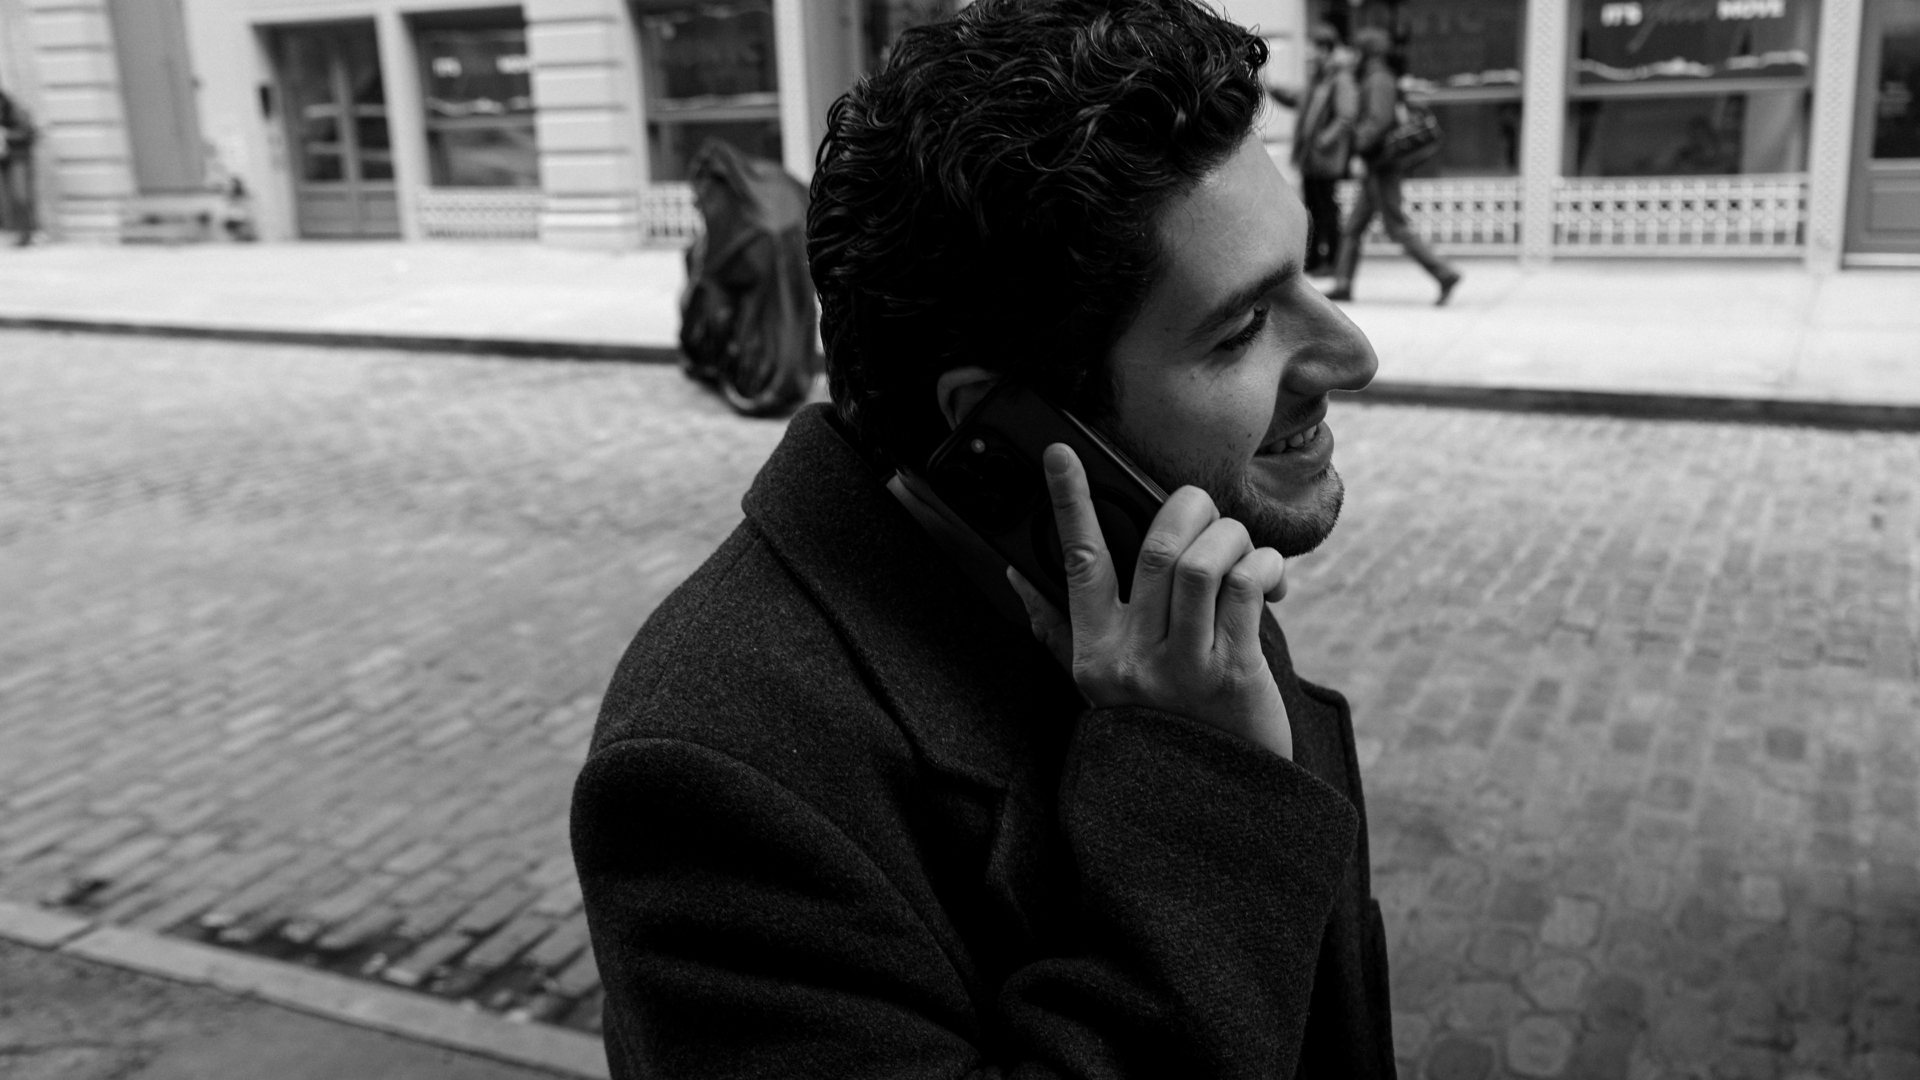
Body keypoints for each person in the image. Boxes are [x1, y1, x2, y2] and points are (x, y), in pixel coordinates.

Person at [571, 1, 1393, 1076]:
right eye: (1241, 327)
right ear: (1005, 432)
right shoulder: (712, 779)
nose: (1353, 354)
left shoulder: (1171, 564)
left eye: (1307, 274)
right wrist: (1206, 794)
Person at [1326, 27, 1460, 305]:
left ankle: (1444, 273)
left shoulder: (1378, 80)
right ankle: (1343, 283)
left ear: (1365, 52)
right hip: (1377, 163)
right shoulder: (1374, 77)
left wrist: (1359, 150)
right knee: (1353, 227)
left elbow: (1378, 122)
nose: (1350, 56)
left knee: (1395, 226)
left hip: (1382, 164)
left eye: (1354, 50)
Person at [1265, 23, 1358, 276]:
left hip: (1325, 157)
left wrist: (1324, 141)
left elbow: (1346, 116)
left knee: (1327, 209)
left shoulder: (1340, 78)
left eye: (1312, 47)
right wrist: (1272, 89)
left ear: (1325, 49)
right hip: (1310, 157)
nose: (1307, 53)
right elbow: (1299, 100)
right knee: (1313, 209)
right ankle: (1315, 260)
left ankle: (1333, 261)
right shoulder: (1318, 78)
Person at [0, 88, 37, 247]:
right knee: (9, 199)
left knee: (20, 196)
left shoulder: (15, 110)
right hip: (5, 160)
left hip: (18, 159)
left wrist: (6, 135)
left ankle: (27, 234)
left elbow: (29, 133)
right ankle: (18, 232)